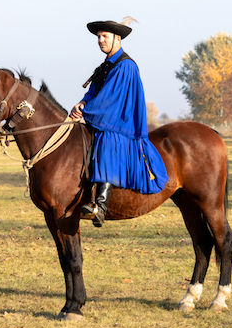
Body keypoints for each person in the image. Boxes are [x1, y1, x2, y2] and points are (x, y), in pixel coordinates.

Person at [70, 20, 169, 227]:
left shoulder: (125, 66)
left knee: (107, 142)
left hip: (119, 121)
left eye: (104, 36)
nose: (100, 40)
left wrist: (86, 112)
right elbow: (94, 92)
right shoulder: (106, 65)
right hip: (104, 116)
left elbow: (110, 99)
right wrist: (82, 103)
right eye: (98, 36)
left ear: (118, 38)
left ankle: (100, 206)